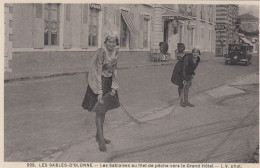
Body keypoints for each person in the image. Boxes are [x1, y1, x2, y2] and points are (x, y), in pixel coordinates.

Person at [81, 32, 120, 152]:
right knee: (99, 111)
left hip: (108, 82)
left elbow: (114, 69)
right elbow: (97, 71)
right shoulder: (101, 52)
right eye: (109, 41)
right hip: (99, 82)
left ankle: (99, 135)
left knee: (104, 110)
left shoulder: (115, 52)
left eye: (114, 42)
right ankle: (101, 139)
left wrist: (114, 86)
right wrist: (99, 92)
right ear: (105, 42)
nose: (111, 44)